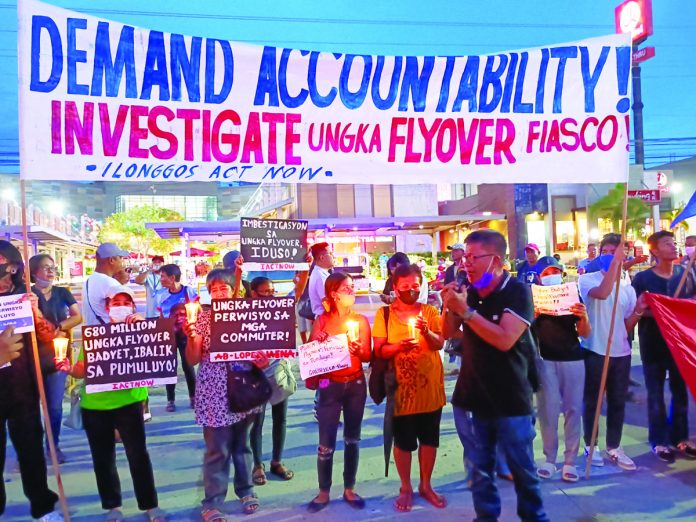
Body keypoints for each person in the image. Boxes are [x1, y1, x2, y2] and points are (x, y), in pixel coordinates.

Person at [441, 230, 547, 522]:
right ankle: (485, 517)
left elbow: (504, 339)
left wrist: (466, 312)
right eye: (465, 258)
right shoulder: (470, 290)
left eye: (474, 258)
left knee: (522, 469)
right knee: (480, 470)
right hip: (474, 394)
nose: (467, 264)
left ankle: (534, 517)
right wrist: (450, 306)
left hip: (511, 397)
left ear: (496, 260)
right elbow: (448, 334)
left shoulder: (518, 292)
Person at [58, 285, 165, 522]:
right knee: (103, 459)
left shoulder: (142, 331)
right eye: (115, 303)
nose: (120, 307)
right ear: (107, 309)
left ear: (133, 308)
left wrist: (144, 329)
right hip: (95, 406)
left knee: (138, 456)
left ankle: (150, 505)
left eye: (125, 303)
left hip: (130, 402)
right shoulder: (94, 337)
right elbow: (81, 371)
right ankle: (112, 506)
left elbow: (158, 354)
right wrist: (67, 368)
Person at [185, 268, 267, 519]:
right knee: (217, 448)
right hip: (214, 390)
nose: (219, 293)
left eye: (224, 288)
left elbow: (260, 351)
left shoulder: (248, 315)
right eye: (214, 289)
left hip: (243, 388)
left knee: (242, 446)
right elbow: (193, 358)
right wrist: (192, 338)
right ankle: (211, 502)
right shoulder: (202, 319)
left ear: (234, 290)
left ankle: (246, 490)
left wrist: (261, 361)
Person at [373, 263, 445, 513]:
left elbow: (439, 343)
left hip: (429, 388)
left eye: (415, 286)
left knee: (429, 438)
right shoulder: (384, 315)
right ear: (395, 287)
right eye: (405, 287)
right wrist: (397, 348)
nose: (411, 291)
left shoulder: (431, 311)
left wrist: (426, 332)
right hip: (401, 390)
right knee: (403, 441)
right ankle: (406, 487)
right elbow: (379, 349)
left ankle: (426, 484)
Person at [0, 241, 64, 522]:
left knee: (32, 453)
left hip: (22, 389)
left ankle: (43, 508)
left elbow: (48, 336)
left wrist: (36, 313)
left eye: (5, 264)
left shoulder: (23, 297)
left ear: (14, 267)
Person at [306, 272, 371, 513]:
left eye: (352, 287)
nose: (352, 291)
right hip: (329, 385)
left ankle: (349, 488)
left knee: (353, 438)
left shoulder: (361, 320)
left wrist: (357, 349)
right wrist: (319, 341)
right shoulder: (321, 320)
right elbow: (313, 353)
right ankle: (324, 491)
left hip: (355, 384)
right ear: (334, 294)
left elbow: (367, 356)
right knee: (326, 441)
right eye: (347, 288)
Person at [631, 230, 696, 462]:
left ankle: (681, 437)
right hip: (654, 344)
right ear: (655, 251)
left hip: (680, 344)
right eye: (667, 243)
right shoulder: (643, 280)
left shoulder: (686, 274)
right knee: (656, 394)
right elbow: (636, 309)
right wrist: (662, 310)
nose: (674, 246)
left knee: (680, 392)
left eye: (674, 243)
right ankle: (659, 440)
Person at [578, 233, 641, 470]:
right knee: (592, 401)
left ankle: (614, 446)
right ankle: (590, 445)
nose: (607, 256)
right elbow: (602, 293)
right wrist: (615, 264)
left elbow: (626, 326)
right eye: (605, 252)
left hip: (621, 354)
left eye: (612, 252)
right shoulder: (588, 280)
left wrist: (638, 312)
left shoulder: (628, 288)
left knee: (617, 402)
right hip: (594, 350)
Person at [249, 256, 311, 486]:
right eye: (266, 291)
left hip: (278, 371)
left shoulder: (280, 306)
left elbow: (298, 289)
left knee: (280, 419)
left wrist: (305, 265)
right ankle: (257, 465)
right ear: (254, 294)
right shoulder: (244, 311)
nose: (271, 294)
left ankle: (277, 461)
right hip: (254, 373)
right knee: (257, 420)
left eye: (273, 290)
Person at [531, 256, 590, 483]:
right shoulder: (533, 299)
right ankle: (550, 458)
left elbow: (585, 332)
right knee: (547, 410)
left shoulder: (574, 296)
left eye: (554, 272)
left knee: (574, 409)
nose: (550, 276)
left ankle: (570, 461)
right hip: (545, 359)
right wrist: (533, 315)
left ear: (562, 274)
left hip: (573, 358)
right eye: (546, 273)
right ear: (539, 277)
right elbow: (524, 330)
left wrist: (583, 315)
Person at [29, 254, 82, 464]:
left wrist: (60, 327)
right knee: (30, 407)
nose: (51, 271)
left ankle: (53, 445)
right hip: (31, 357)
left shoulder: (63, 292)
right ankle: (31, 449)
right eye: (45, 267)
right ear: (34, 272)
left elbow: (77, 316)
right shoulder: (27, 293)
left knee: (55, 407)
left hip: (58, 356)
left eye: (53, 267)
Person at [82, 242, 130, 326]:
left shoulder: (89, 281)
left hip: (93, 334)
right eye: (120, 257)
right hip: (109, 335)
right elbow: (125, 314)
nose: (122, 261)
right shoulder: (110, 284)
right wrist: (122, 285)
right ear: (111, 260)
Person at [164, 303, 197, 412]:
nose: (178, 318)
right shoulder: (167, 326)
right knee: (170, 369)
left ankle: (193, 397)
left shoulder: (189, 325)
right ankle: (170, 400)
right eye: (175, 315)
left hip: (184, 339)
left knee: (188, 367)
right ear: (170, 316)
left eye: (182, 315)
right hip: (171, 339)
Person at [308, 242, 334, 318]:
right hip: (326, 318)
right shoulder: (320, 276)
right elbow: (325, 300)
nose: (333, 256)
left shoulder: (321, 273)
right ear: (322, 257)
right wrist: (333, 316)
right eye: (330, 254)